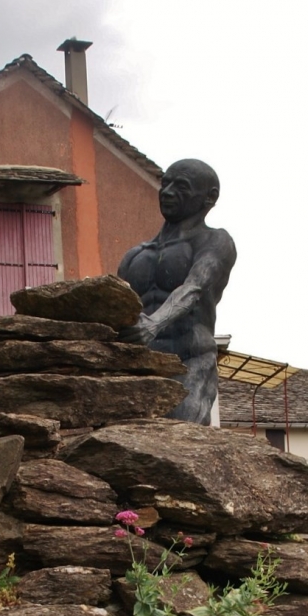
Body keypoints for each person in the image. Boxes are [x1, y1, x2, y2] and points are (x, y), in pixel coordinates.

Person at [118, 159, 237, 425]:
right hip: (139, 367)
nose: (168, 192)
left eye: (181, 186)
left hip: (189, 361)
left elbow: (194, 287)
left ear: (210, 197)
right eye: (166, 183)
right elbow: (117, 305)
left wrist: (153, 324)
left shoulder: (215, 240)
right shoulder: (136, 254)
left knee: (180, 444)